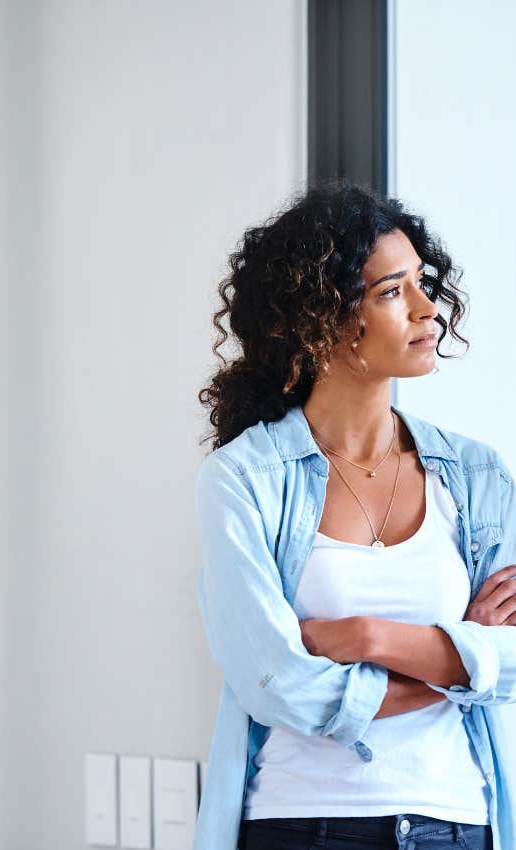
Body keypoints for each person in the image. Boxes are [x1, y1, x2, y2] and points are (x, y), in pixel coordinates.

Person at [194, 184, 516, 850]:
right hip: (302, 823)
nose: (429, 310)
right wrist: (461, 660)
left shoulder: (479, 477)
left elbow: (512, 663)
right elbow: (280, 687)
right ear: (320, 319)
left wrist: (366, 637)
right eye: (393, 292)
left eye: (422, 285)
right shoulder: (245, 479)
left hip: (454, 824)